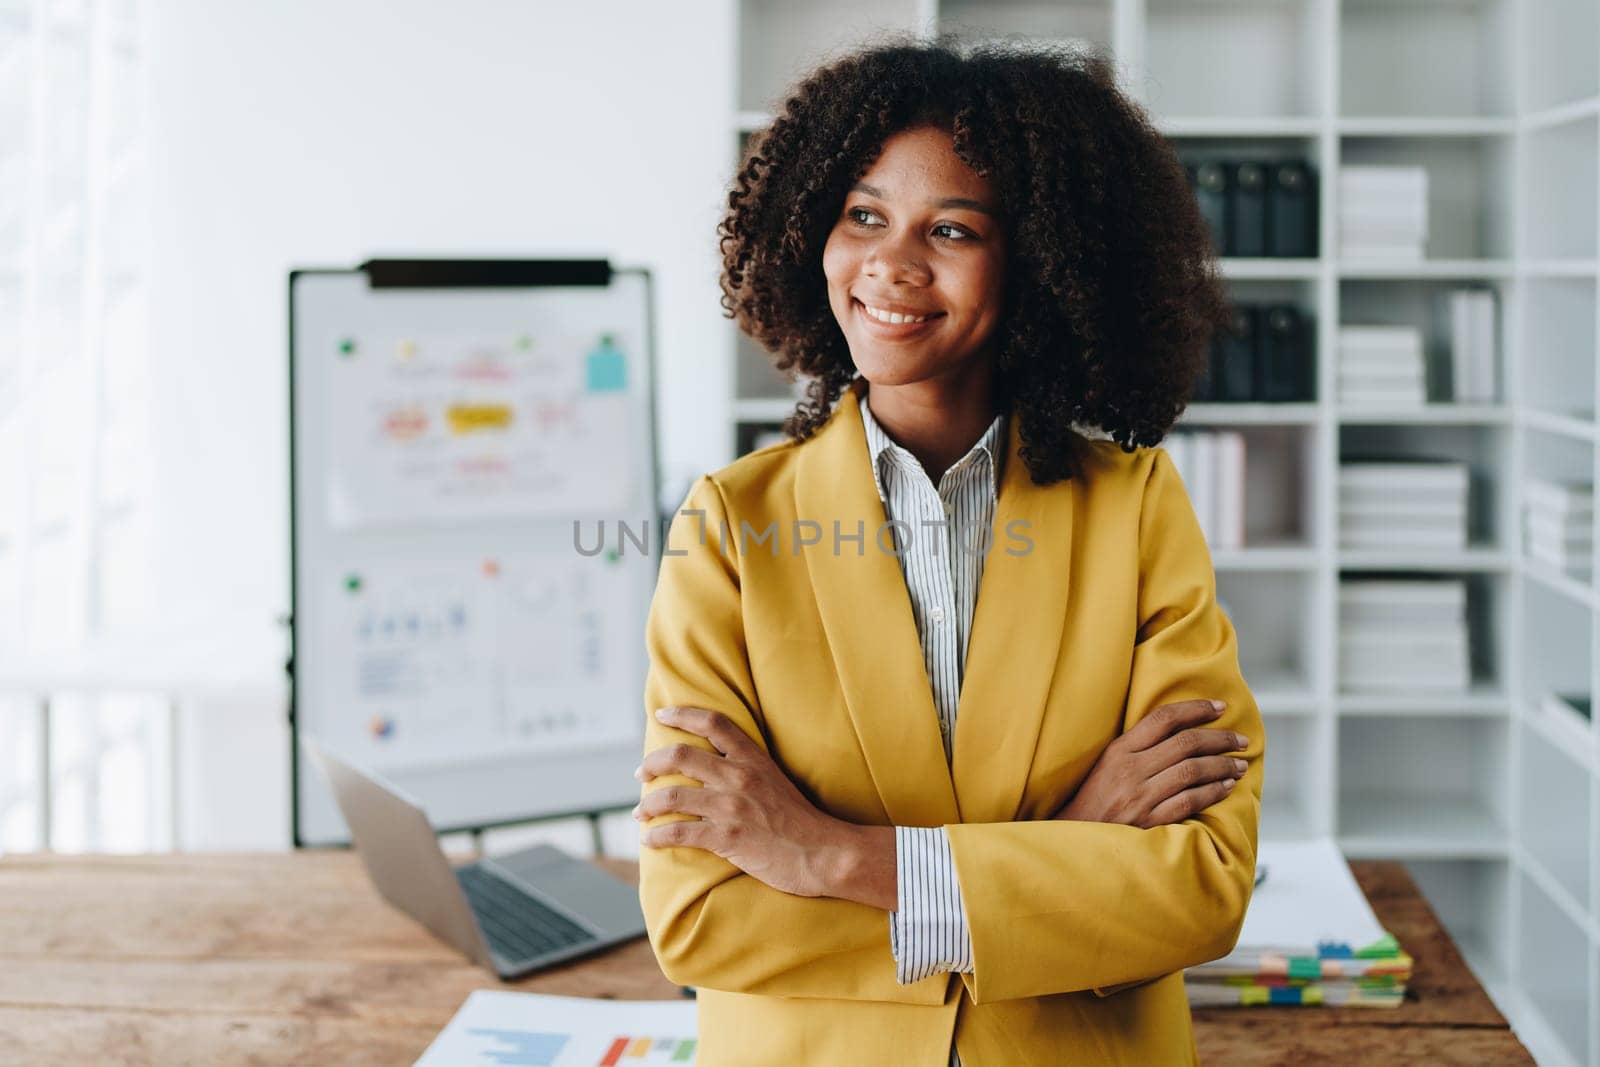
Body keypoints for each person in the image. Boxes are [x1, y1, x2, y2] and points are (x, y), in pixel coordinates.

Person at [632, 38, 1263, 1066]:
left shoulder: (1135, 507)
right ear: (811, 233)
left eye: (954, 229)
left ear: (1041, 262)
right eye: (863, 214)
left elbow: (1198, 888)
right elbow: (701, 916)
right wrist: (1064, 858)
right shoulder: (730, 528)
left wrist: (824, 854)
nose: (891, 263)